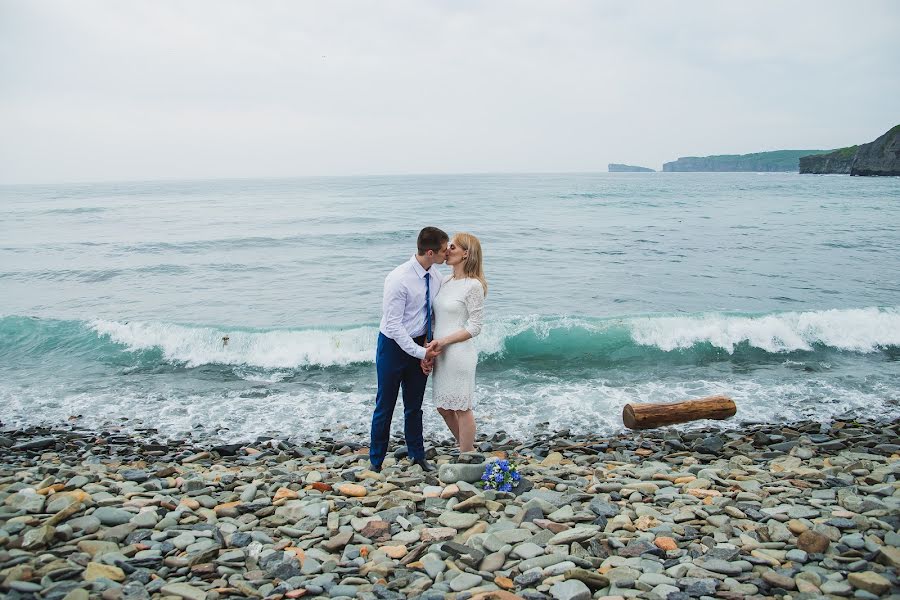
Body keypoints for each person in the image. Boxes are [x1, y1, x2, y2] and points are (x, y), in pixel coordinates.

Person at [369, 226, 449, 472]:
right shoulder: (398, 278)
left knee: (414, 406)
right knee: (386, 405)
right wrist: (419, 353)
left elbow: (431, 316)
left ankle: (417, 454)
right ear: (429, 252)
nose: (446, 254)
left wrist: (427, 347)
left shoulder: (435, 277)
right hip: (392, 346)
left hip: (419, 343)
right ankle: (376, 461)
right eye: (443, 251)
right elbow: (393, 325)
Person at [423, 233, 486, 453]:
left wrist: (444, 341)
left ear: (466, 254)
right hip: (441, 352)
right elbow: (434, 318)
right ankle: (467, 447)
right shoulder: (445, 280)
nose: (447, 250)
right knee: (443, 406)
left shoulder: (473, 286)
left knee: (462, 406)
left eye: (453, 247)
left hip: (459, 353)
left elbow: (475, 327)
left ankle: (466, 455)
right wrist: (428, 346)